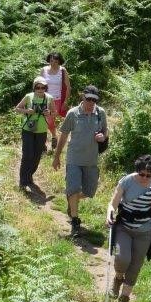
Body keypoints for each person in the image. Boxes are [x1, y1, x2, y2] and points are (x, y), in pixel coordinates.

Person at [106, 154, 151, 302]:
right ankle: (118, 278)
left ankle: (124, 298)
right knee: (122, 258)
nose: (145, 178)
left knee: (136, 265)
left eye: (149, 175)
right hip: (124, 228)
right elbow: (113, 204)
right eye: (142, 174)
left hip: (144, 231)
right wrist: (109, 215)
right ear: (137, 171)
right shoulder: (126, 181)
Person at [52, 85, 108, 237]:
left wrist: (103, 137)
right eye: (88, 99)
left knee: (90, 192)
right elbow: (63, 136)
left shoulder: (100, 113)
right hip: (74, 159)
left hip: (91, 160)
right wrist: (56, 157)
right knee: (74, 188)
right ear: (83, 97)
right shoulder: (73, 113)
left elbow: (105, 131)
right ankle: (75, 221)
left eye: (94, 100)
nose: (91, 102)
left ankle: (72, 200)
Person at [15, 77, 56, 190]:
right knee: (27, 154)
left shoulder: (49, 98)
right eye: (38, 87)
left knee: (37, 155)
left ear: (45, 88)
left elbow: (54, 113)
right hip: (28, 129)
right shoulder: (29, 96)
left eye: (43, 87)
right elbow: (17, 108)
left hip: (42, 130)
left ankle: (29, 176)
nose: (40, 89)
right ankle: (23, 182)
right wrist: (27, 111)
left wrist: (49, 113)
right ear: (34, 87)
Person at [40, 51, 71, 151]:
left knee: (50, 121)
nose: (53, 63)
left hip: (57, 100)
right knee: (43, 121)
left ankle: (54, 136)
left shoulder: (62, 71)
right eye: (51, 61)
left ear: (59, 61)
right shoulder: (43, 70)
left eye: (56, 61)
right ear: (49, 60)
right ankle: (44, 143)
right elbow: (37, 84)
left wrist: (65, 101)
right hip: (44, 100)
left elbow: (68, 87)